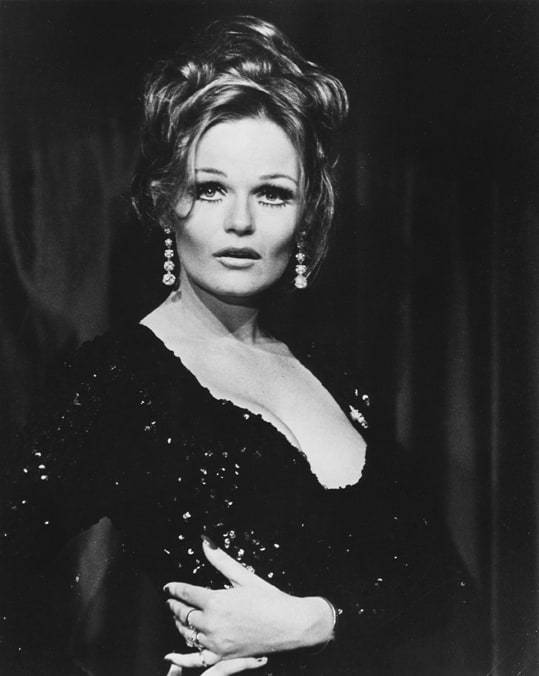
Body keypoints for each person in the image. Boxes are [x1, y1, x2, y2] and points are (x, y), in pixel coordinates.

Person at [1, 15, 487, 676]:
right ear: (166, 201)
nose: (239, 221)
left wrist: (317, 622)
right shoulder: (111, 381)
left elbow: (454, 602)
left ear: (307, 216)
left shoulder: (336, 377)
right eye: (210, 189)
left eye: (272, 194)